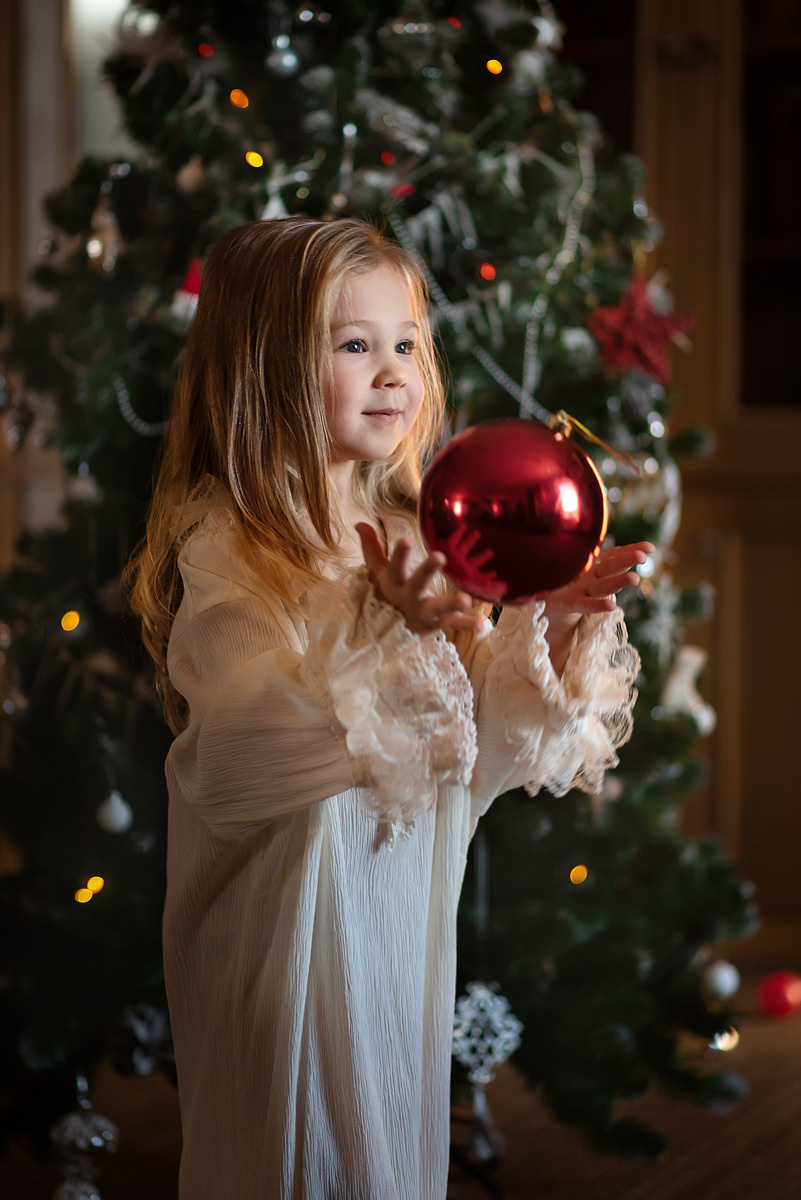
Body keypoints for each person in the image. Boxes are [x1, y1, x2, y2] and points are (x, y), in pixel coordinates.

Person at [126, 215, 653, 1200]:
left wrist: (555, 621)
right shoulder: (229, 552)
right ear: (268, 368)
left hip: (396, 935)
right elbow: (241, 754)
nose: (393, 372)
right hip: (283, 949)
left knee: (383, 1158)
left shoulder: (422, 533)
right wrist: (381, 638)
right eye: (355, 345)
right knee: (299, 1155)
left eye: (407, 343)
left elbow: (475, 760)